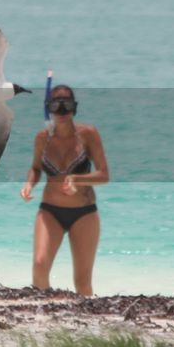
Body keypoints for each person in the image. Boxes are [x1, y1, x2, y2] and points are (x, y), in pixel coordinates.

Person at [20, 84, 109, 293]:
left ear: (74, 108)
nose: (61, 112)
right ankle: (47, 315)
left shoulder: (88, 134)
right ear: (48, 108)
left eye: (66, 105)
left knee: (82, 281)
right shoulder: (43, 138)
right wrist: (29, 184)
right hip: (50, 210)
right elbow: (35, 168)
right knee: (40, 266)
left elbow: (104, 175)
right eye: (56, 105)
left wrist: (77, 179)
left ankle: (87, 322)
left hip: (84, 213)